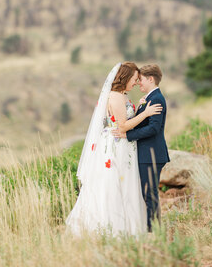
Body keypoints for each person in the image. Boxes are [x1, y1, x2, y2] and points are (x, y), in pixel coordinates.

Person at [66, 61, 163, 235]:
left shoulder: (123, 95)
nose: (136, 82)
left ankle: (130, 225)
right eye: (134, 78)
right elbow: (123, 126)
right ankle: (112, 227)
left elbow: (128, 116)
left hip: (126, 146)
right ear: (125, 77)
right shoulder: (115, 96)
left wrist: (140, 106)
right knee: (113, 183)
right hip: (117, 146)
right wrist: (146, 113)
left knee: (126, 184)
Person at [113, 64, 169, 231]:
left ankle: (154, 230)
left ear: (151, 79)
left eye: (141, 80)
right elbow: (141, 123)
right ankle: (150, 227)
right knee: (147, 193)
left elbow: (153, 129)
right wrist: (140, 108)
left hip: (151, 154)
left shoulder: (157, 99)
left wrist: (127, 136)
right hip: (146, 154)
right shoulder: (150, 98)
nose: (138, 84)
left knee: (149, 194)